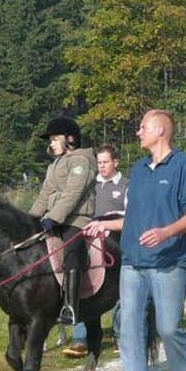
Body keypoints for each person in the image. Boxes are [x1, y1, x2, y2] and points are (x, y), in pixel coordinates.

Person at [83, 110, 186, 371]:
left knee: (167, 328)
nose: (137, 133)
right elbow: (134, 220)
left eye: (142, 127)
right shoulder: (138, 170)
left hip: (170, 261)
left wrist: (167, 232)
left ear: (161, 130)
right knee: (128, 330)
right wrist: (105, 226)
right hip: (133, 262)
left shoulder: (183, 166)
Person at [28, 116, 96, 326]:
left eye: (54, 139)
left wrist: (53, 218)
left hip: (76, 220)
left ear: (70, 138)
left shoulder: (81, 161)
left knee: (72, 251)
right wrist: (30, 220)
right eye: (50, 140)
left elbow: (72, 194)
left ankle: (71, 307)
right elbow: (44, 194)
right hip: (54, 219)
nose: (50, 144)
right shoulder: (54, 166)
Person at [64, 144, 125, 358]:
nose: (101, 166)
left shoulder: (126, 186)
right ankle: (79, 337)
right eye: (99, 162)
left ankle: (120, 333)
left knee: (120, 287)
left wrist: (109, 225)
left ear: (115, 162)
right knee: (83, 277)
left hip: (117, 236)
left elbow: (131, 217)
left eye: (105, 162)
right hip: (91, 234)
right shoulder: (91, 186)